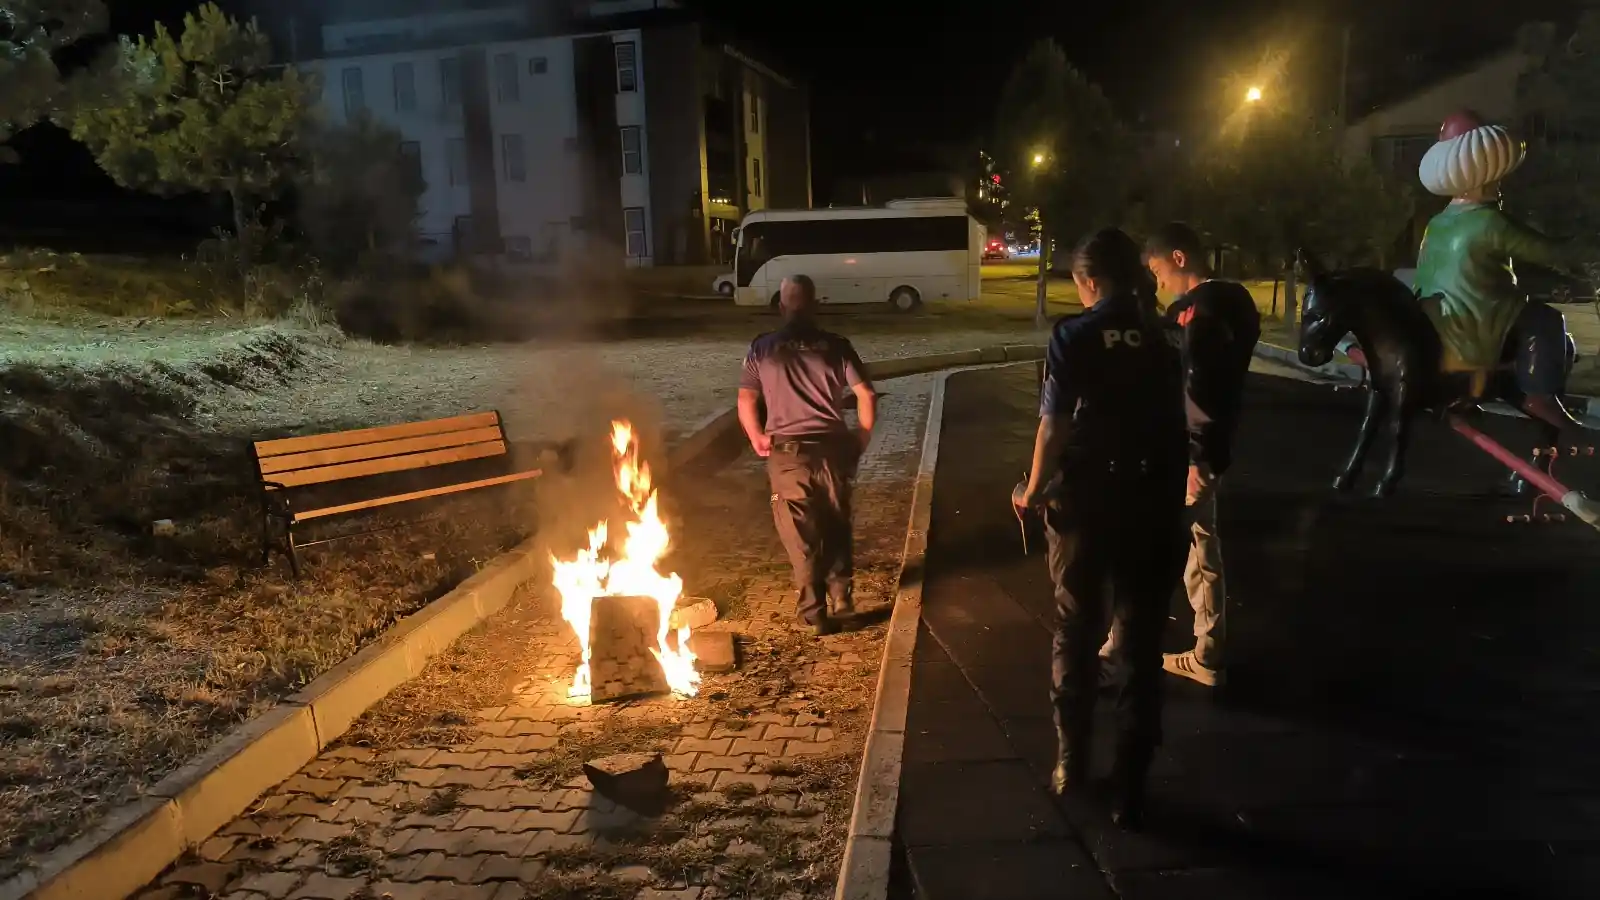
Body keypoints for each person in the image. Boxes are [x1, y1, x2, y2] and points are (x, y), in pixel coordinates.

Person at [1013, 228, 1189, 829]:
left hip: (1089, 503)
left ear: (1090, 281)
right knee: (1140, 643)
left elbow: (1052, 426)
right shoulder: (1165, 337)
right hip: (1154, 502)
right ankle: (1131, 787)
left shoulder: (1074, 334)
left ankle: (1071, 763)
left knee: (1076, 629)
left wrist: (1032, 491)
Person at [1097, 223, 1261, 689]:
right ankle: (1208, 651)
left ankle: (1116, 650)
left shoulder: (1194, 313)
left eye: (1158, 269)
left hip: (1185, 454)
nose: (1159, 280)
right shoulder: (1239, 304)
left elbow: (1196, 386)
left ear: (1179, 257)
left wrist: (1194, 457)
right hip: (1215, 447)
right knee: (1201, 547)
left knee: (1145, 549)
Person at [1412, 110, 1587, 492]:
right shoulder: (1491, 222)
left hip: (1434, 316)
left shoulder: (1438, 222)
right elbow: (1546, 252)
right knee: (1545, 319)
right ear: (1482, 175)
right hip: (1478, 317)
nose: (1500, 185)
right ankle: (1540, 395)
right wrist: (1584, 249)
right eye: (1496, 177)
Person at [737, 275, 878, 636]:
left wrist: (756, 435)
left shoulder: (761, 349)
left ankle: (814, 613)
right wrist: (861, 436)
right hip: (833, 450)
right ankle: (842, 598)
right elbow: (866, 395)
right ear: (816, 305)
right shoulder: (837, 346)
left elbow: (746, 399)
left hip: (787, 455)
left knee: (799, 532)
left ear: (782, 306)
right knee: (836, 521)